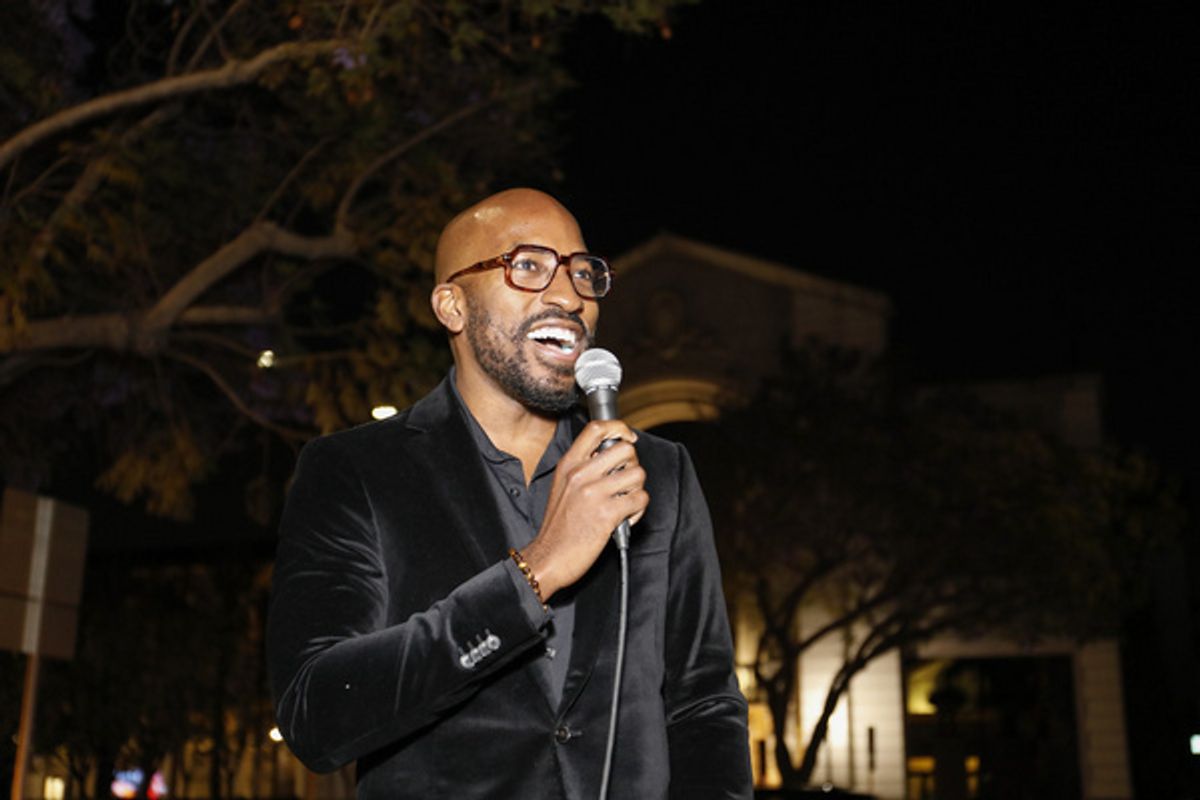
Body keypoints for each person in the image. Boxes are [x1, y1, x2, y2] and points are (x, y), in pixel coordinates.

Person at [266, 188, 752, 799]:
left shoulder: (660, 470)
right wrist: (536, 571)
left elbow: (705, 704)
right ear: (452, 306)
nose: (569, 296)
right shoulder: (353, 471)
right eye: (528, 265)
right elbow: (316, 716)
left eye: (582, 272)